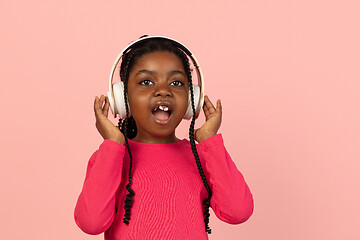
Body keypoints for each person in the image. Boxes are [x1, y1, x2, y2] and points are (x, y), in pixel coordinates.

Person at [74, 36, 254, 240]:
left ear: (191, 99)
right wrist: (113, 145)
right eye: (146, 82)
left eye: (176, 82)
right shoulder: (111, 156)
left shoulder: (201, 156)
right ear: (122, 98)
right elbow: (91, 223)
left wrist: (209, 141)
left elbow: (238, 212)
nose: (163, 91)